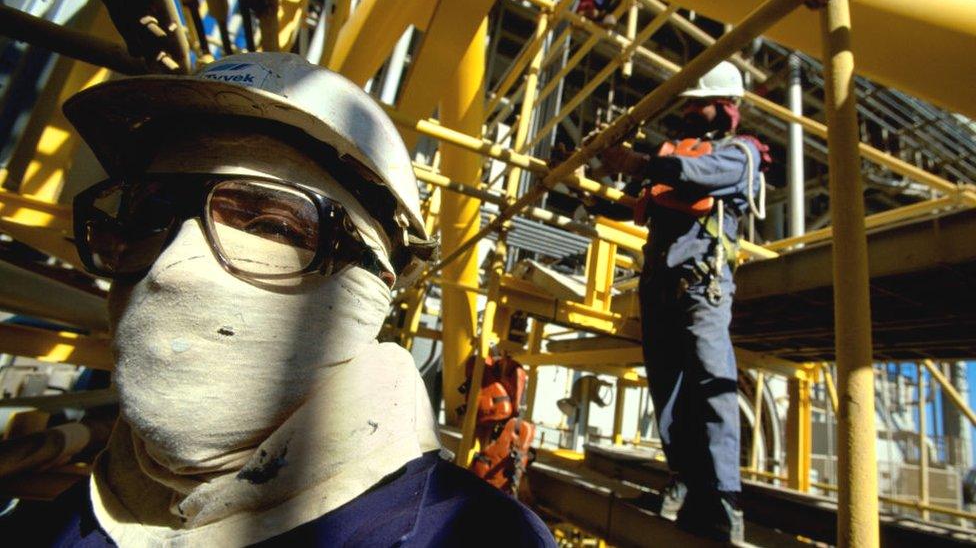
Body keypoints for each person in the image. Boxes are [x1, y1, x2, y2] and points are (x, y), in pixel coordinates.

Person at [25, 52, 554, 547]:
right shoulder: (49, 528)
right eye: (146, 217)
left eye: (270, 224)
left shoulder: (471, 536)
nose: (169, 269)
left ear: (374, 285)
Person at [582, 61, 769, 543]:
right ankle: (685, 483)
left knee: (712, 385)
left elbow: (694, 174)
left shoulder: (739, 154)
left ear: (725, 106)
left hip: (701, 285)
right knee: (668, 388)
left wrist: (640, 161)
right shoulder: (672, 157)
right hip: (659, 286)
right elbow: (631, 199)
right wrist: (582, 176)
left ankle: (723, 500)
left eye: (698, 102)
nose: (688, 110)